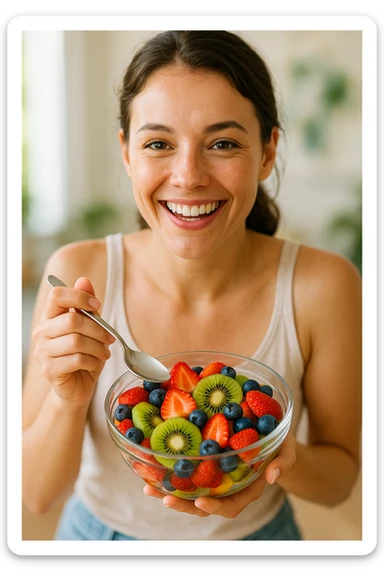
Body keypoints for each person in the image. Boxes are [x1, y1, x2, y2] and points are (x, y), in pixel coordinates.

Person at [22, 30, 362, 541]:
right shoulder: (79, 274)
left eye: (222, 143)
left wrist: (276, 455)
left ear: (268, 152)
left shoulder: (324, 285)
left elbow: (339, 483)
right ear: (126, 152)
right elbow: (35, 494)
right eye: (159, 143)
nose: (188, 176)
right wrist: (67, 399)